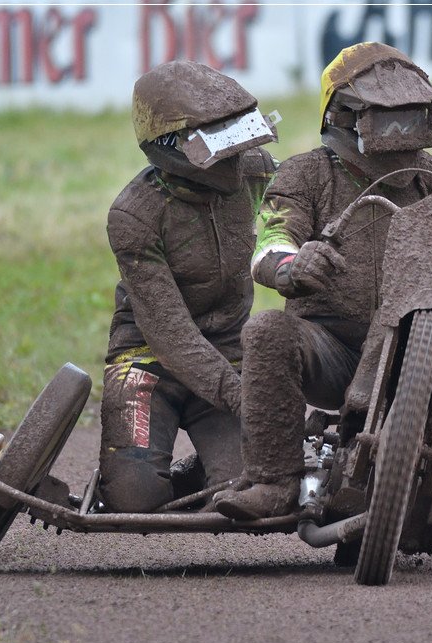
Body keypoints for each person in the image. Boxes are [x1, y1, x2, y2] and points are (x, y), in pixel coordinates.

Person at [214, 43, 432, 535]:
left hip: (424, 344)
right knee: (269, 330)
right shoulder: (305, 173)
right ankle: (273, 480)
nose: (401, 134)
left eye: (410, 118)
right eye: (386, 120)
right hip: (333, 345)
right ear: (342, 116)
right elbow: (270, 241)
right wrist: (295, 263)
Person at [99, 61, 278, 513]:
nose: (234, 154)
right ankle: (136, 474)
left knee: (247, 486)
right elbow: (170, 335)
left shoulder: (254, 171)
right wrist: (244, 396)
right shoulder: (134, 215)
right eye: (219, 141)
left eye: (236, 134)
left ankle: (201, 472)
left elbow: (304, 208)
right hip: (145, 357)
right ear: (169, 149)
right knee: (135, 500)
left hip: (228, 352)